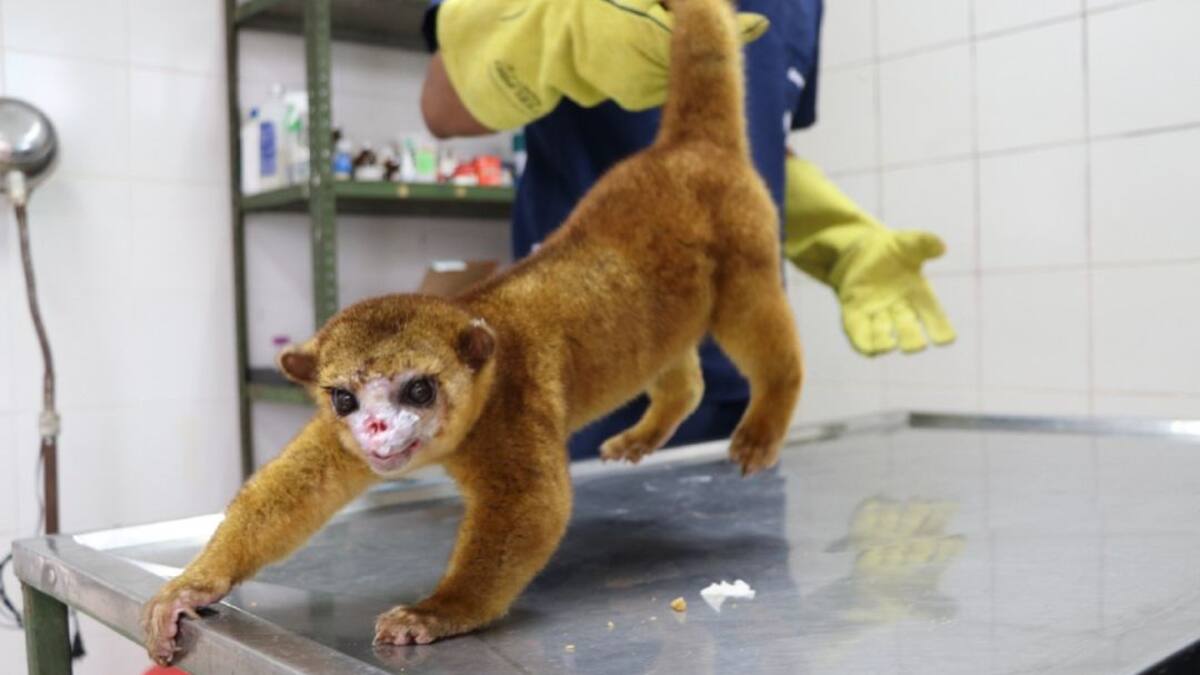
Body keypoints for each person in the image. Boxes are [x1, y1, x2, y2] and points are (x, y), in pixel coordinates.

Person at [420, 0, 955, 459]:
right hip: (581, 354)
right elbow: (443, 105)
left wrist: (842, 239)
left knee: (740, 574)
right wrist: (560, 31)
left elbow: (758, 142)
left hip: (729, 369)